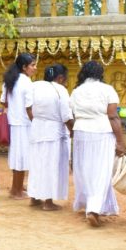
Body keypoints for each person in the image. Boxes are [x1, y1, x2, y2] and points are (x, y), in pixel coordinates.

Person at [70, 61, 126, 227]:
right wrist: (120, 141)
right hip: (101, 131)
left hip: (81, 131)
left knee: (84, 169)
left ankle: (89, 202)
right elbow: (113, 116)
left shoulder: (76, 91)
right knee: (101, 170)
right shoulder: (107, 89)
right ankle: (94, 209)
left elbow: (73, 112)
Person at [27, 64, 73, 211]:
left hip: (37, 129)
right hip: (53, 133)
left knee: (37, 164)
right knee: (51, 166)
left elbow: (28, 107)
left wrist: (37, 120)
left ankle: (34, 197)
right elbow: (66, 115)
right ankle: (48, 202)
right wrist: (73, 130)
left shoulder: (34, 86)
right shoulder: (60, 90)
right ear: (60, 78)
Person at [0, 52, 36, 199]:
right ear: (24, 67)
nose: (35, 68)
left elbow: (3, 101)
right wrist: (36, 123)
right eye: (32, 65)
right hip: (24, 123)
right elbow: (29, 107)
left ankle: (18, 187)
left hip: (13, 122)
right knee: (22, 157)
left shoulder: (9, 81)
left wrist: (14, 107)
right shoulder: (27, 82)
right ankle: (17, 191)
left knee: (16, 157)